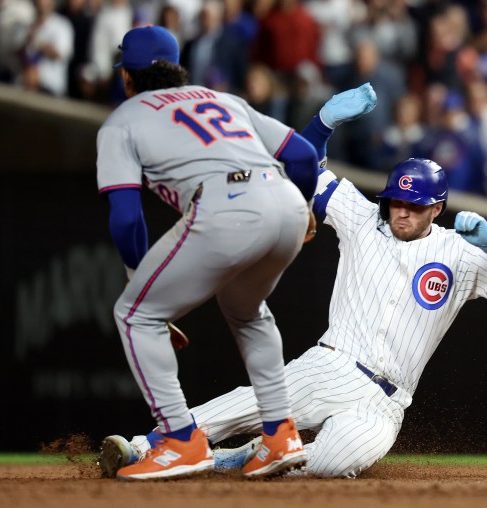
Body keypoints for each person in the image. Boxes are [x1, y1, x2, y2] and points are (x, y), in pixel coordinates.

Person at [99, 83, 487, 479]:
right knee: (243, 404)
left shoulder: (459, 251)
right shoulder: (362, 217)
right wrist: (322, 123)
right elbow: (299, 163)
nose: (401, 211)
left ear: (436, 209)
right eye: (396, 201)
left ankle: (247, 454)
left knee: (328, 465)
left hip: (386, 402)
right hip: (332, 365)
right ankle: (143, 447)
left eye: (414, 205)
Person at [96, 24, 326, 480]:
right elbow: (300, 154)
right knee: (247, 311)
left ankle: (181, 438)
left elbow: (126, 216)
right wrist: (300, 203)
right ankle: (281, 435)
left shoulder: (122, 119)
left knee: (134, 314)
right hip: (283, 199)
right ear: (177, 69)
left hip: (228, 206)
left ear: (128, 77)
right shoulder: (222, 98)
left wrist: (140, 285)